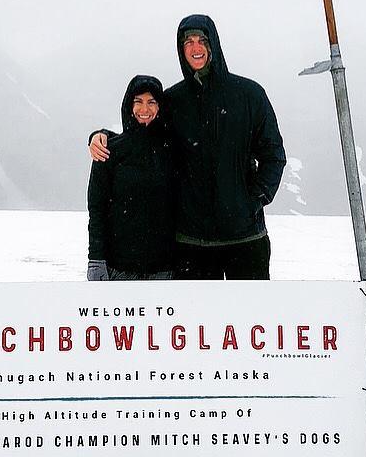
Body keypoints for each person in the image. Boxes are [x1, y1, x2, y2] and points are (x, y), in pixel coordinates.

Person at [90, 15, 285, 280]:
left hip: (245, 238)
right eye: (188, 42)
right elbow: (143, 137)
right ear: (181, 50)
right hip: (192, 245)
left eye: (202, 40)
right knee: (197, 320)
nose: (195, 48)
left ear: (213, 44)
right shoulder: (173, 100)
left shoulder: (249, 95)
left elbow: (273, 154)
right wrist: (102, 136)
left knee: (250, 318)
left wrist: (255, 199)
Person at [86, 75, 176, 281]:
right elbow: (97, 210)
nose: (145, 109)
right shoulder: (108, 151)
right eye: (138, 101)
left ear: (160, 107)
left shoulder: (172, 151)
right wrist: (96, 260)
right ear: (129, 105)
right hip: (119, 269)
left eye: (151, 102)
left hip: (165, 270)